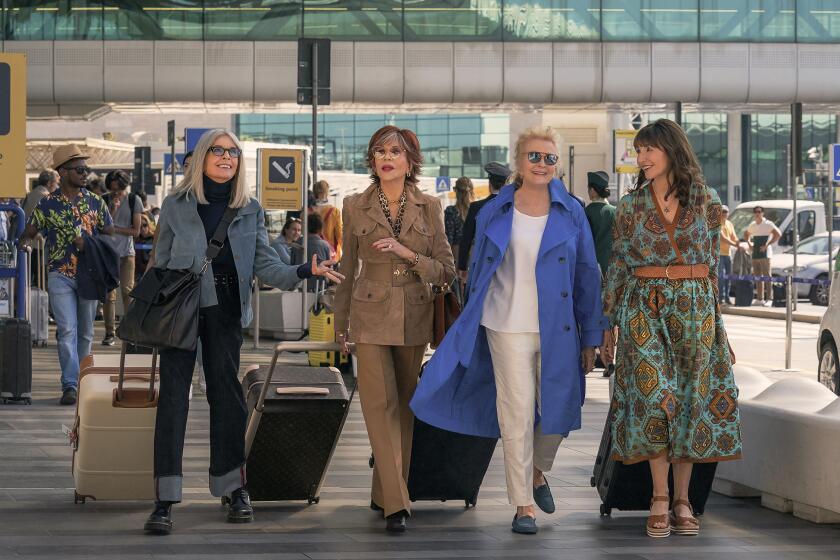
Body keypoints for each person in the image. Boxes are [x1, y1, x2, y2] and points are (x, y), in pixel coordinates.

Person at [144, 129, 343, 535]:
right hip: (180, 312)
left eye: (233, 152)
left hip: (226, 311)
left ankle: (233, 487)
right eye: (217, 150)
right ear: (202, 158)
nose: (226, 157)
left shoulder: (249, 209)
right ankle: (164, 499)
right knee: (173, 401)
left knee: (228, 399)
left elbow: (266, 264)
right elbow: (159, 262)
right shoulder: (176, 204)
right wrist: (145, 314)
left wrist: (305, 270)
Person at [411, 126, 605, 535]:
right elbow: (478, 270)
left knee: (561, 410)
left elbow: (588, 274)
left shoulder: (571, 211)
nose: (542, 164)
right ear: (519, 161)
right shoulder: (495, 210)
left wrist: (593, 336)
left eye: (550, 158)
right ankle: (523, 505)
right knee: (515, 415)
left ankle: (537, 470)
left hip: (559, 328)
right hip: (504, 324)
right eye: (534, 156)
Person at [602, 119, 741, 538]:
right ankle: (659, 495)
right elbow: (618, 264)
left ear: (671, 150)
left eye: (649, 150)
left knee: (690, 400)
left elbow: (714, 270)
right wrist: (609, 323)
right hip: (644, 305)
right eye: (638, 151)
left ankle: (682, 498)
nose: (641, 158)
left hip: (695, 308)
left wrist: (721, 329)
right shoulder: (629, 206)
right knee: (652, 397)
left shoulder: (707, 201)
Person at [334, 125, 454, 533]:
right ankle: (397, 504)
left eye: (395, 152)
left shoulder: (430, 206)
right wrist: (340, 322)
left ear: (410, 161)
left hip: (415, 316)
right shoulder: (353, 205)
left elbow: (446, 272)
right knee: (377, 407)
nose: (386, 158)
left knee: (403, 408)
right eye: (379, 151)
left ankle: (383, 490)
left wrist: (408, 254)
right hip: (368, 318)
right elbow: (347, 271)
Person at [20, 145, 114, 406]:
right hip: (59, 273)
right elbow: (30, 230)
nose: (86, 174)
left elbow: (108, 231)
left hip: (90, 274)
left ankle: (83, 380)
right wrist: (25, 242)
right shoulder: (47, 203)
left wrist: (93, 242)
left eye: (87, 169)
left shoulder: (96, 201)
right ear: (63, 172)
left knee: (85, 333)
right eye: (80, 169)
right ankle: (70, 384)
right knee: (66, 329)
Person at [100, 170, 143, 346]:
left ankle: (130, 331)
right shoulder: (103, 200)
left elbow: (136, 231)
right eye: (112, 190)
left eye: (118, 190)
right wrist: (112, 210)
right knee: (109, 295)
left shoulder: (134, 200)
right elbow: (100, 226)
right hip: (107, 253)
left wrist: (114, 228)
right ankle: (109, 332)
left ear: (125, 187)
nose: (115, 193)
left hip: (127, 253)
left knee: (127, 292)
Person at [584, 170, 616, 377]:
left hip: (590, 270)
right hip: (611, 271)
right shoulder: (616, 211)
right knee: (609, 315)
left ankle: (591, 353)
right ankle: (609, 357)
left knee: (590, 311)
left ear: (592, 190)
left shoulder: (586, 213)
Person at [457, 162, 511, 282]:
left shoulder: (476, 207)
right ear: (506, 185)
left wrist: (462, 266)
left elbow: (466, 239)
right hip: (506, 266)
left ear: (489, 184)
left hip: (480, 264)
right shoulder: (512, 208)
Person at [744, 206, 781, 307]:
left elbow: (778, 234)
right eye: (755, 212)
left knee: (767, 276)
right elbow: (746, 234)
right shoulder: (753, 225)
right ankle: (760, 298)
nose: (757, 213)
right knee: (757, 277)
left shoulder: (768, 224)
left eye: (759, 212)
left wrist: (767, 245)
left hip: (766, 254)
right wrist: (749, 243)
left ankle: (770, 298)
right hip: (755, 254)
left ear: (762, 213)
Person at [444, 177, 474, 260]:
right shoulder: (476, 210)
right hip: (472, 256)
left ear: (456, 191)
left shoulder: (451, 211)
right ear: (471, 191)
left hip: (456, 255)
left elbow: (448, 239)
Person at [313, 179, 342, 260]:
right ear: (327, 192)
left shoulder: (308, 211)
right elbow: (339, 234)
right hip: (329, 251)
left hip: (311, 250)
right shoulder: (334, 211)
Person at [718, 205, 739, 305]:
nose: (724, 214)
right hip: (719, 254)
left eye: (726, 212)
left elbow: (733, 236)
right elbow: (723, 238)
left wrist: (739, 243)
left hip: (728, 254)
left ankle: (727, 297)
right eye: (722, 212)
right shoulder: (717, 224)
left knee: (728, 277)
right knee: (721, 277)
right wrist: (735, 244)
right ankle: (721, 297)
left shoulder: (729, 224)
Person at [134, 212, 155, 280]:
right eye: (140, 227)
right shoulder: (135, 240)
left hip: (153, 273)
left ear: (148, 224)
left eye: (145, 225)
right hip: (139, 275)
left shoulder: (155, 238)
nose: (142, 229)